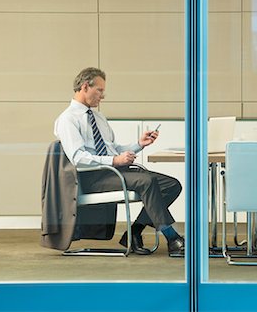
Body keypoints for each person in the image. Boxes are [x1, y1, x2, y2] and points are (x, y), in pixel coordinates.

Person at [54, 67, 184, 256]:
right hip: (93, 178)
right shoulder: (68, 119)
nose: (103, 95)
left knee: (172, 185)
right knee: (146, 181)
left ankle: (134, 233)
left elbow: (113, 149)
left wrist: (139, 144)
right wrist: (114, 160)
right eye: (99, 90)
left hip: (114, 173)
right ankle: (172, 238)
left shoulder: (98, 117)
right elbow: (78, 159)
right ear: (84, 87)